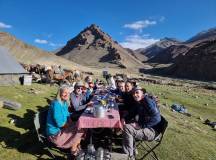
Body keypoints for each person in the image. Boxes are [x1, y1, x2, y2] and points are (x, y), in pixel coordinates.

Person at [46, 85, 86, 158]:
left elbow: (68, 116)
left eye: (68, 93)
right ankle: (73, 151)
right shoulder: (56, 104)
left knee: (81, 126)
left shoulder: (64, 103)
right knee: (79, 129)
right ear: (59, 93)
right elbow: (60, 123)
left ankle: (77, 147)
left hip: (61, 129)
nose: (67, 94)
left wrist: (74, 123)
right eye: (64, 92)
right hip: (55, 134)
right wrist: (72, 126)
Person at [122, 86, 161, 159]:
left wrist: (141, 126)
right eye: (133, 93)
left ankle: (129, 156)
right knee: (129, 123)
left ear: (142, 93)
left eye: (137, 92)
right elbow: (132, 113)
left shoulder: (147, 101)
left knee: (127, 128)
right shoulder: (139, 102)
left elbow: (157, 118)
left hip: (152, 131)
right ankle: (133, 149)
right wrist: (124, 118)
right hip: (147, 127)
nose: (134, 95)